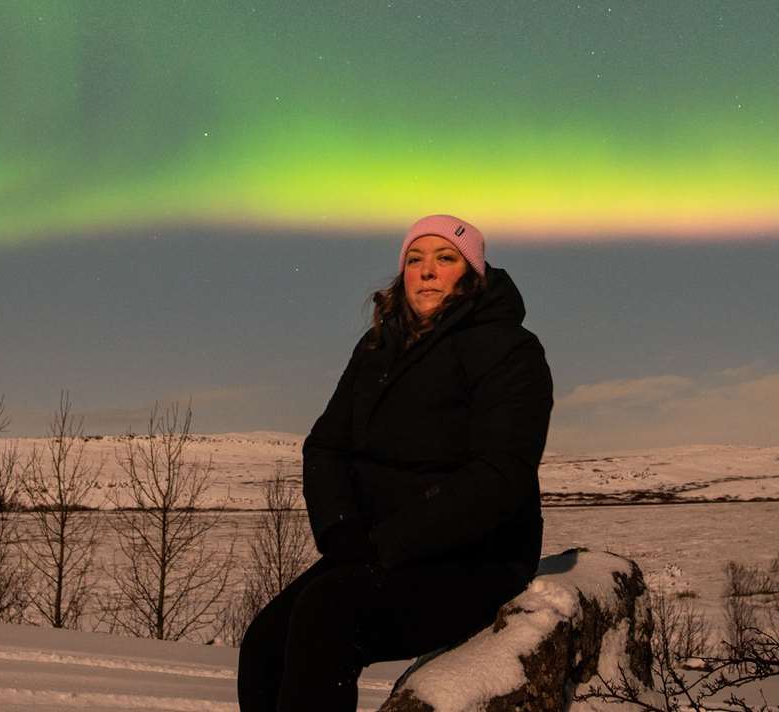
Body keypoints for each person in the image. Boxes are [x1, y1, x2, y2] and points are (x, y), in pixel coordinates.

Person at [237, 214, 554, 712]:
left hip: (476, 559)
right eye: (414, 259)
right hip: (373, 551)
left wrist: (386, 543)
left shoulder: (509, 349)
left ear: (471, 275)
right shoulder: (375, 350)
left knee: (329, 614)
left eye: (445, 259)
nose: (426, 271)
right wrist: (340, 528)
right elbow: (325, 447)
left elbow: (499, 473)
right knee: (264, 642)